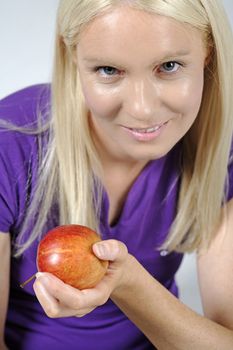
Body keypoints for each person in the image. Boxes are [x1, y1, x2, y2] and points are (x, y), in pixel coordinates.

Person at [1, 0, 233, 349]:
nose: (142, 108)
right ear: (72, 59)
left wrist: (127, 283)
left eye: (169, 66)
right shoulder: (10, 143)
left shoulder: (217, 150)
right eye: (109, 70)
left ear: (208, 55)